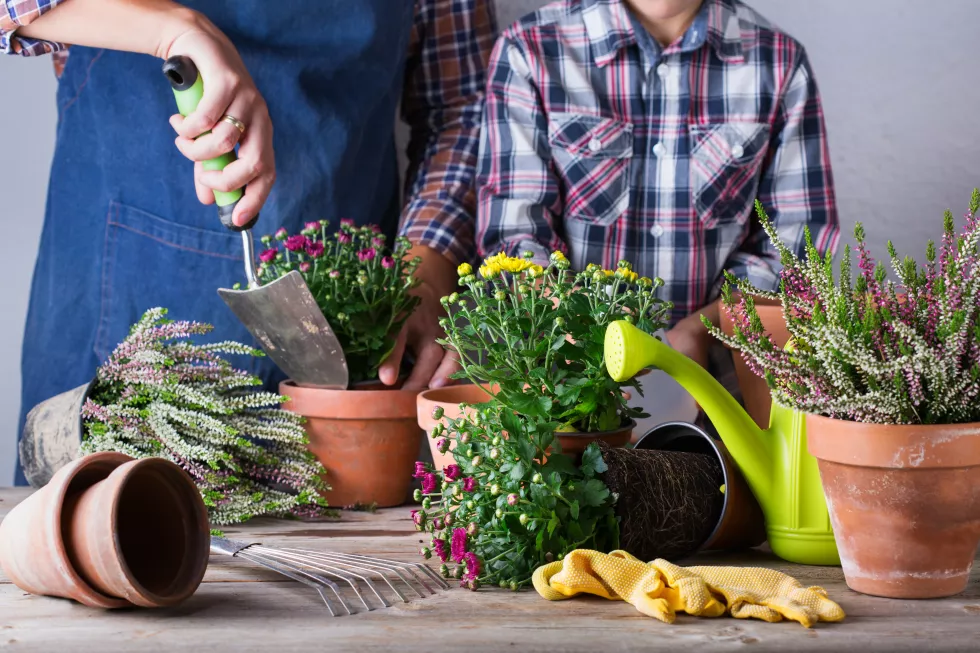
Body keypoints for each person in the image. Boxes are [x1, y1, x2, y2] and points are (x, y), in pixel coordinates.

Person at [3, 0, 495, 485]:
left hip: (349, 337)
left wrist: (428, 265)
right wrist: (175, 31)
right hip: (117, 298)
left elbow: (461, 108)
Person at [473, 0, 840, 371]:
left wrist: (705, 327)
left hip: (721, 390)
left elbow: (796, 247)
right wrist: (577, 321)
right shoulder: (530, 49)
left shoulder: (778, 61)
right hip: (568, 386)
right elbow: (514, 233)